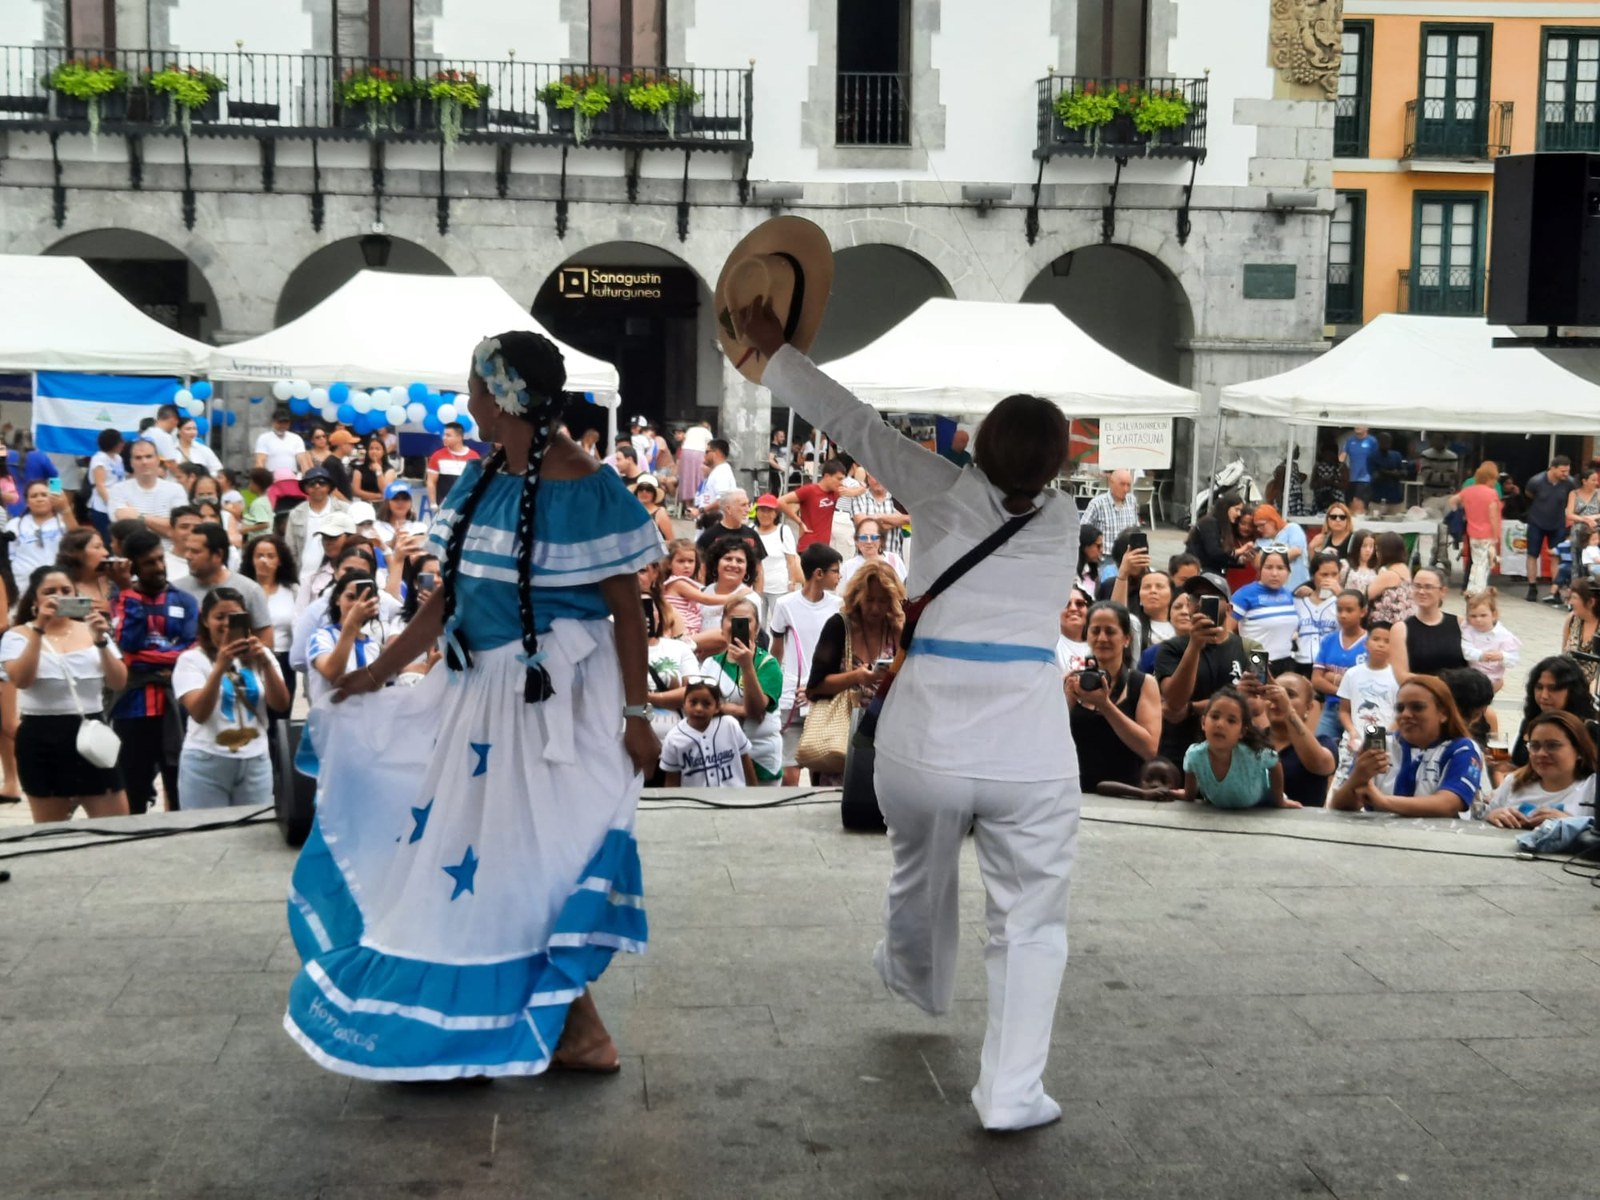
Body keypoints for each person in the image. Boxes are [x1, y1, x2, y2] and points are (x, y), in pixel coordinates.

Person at [285, 330, 664, 1080]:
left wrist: (636, 715)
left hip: (553, 705)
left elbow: (628, 611)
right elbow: (445, 602)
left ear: (509, 398)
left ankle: (573, 1027)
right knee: (477, 860)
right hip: (475, 700)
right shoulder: (481, 477)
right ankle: (561, 1026)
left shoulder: (590, 487)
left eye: (477, 389)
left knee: (527, 863)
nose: (468, 402)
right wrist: (376, 674)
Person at [1, 565, 128, 822]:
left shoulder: (90, 630)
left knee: (116, 825)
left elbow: (118, 681)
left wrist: (102, 640)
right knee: (51, 831)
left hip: (91, 732)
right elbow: (22, 680)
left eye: (65, 590)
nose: (58, 596)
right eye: (49, 591)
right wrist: (39, 629)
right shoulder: (18, 635)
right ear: (35, 598)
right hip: (42, 736)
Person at [108, 528, 199, 814]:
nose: (159, 567)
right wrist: (128, 595)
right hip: (133, 709)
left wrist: (146, 656)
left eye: (161, 559)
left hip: (177, 707)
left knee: (178, 785)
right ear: (133, 565)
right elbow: (128, 649)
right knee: (134, 787)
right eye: (150, 562)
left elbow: (190, 651)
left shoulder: (184, 601)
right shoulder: (120, 599)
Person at [173, 587, 289, 809]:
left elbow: (281, 704)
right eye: (219, 617)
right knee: (207, 836)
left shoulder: (261, 655)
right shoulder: (190, 660)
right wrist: (220, 667)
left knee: (253, 835)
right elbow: (199, 713)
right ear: (206, 621)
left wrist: (264, 662)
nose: (226, 624)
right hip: (206, 762)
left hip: (255, 760)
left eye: (234, 617)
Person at [1330, 675, 1482, 816]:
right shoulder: (1380, 744)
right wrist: (1358, 777)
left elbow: (1449, 803)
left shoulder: (1462, 749)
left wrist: (1383, 801)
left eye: (1417, 707)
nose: (1405, 714)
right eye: (1400, 708)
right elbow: (1339, 807)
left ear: (1443, 713)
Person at [1155, 573, 1255, 765]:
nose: (1202, 602)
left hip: (1233, 757)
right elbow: (1174, 702)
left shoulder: (1252, 648)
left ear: (1229, 608)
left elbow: (1257, 705)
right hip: (1179, 753)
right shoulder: (1170, 648)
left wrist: (1193, 708)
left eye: (1211, 597)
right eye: (1196, 597)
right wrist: (1194, 645)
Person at [769, 544, 843, 785]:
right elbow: (776, 650)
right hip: (792, 697)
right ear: (818, 573)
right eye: (835, 571)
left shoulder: (838, 606)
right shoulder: (785, 605)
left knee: (819, 765)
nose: (839, 576)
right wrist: (775, 687)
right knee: (790, 766)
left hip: (824, 694)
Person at [1067, 601, 1160, 792]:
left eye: (1110, 631)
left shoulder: (1143, 684)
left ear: (1126, 639)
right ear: (1087, 635)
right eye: (1095, 631)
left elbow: (1149, 749)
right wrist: (1067, 702)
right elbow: (1049, 737)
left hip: (1125, 795)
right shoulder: (1070, 682)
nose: (1102, 638)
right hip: (1074, 792)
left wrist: (1105, 706)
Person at [698, 595, 783, 784]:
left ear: (757, 627)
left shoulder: (768, 664)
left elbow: (755, 710)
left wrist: (746, 666)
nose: (738, 625)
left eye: (746, 620)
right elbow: (701, 708)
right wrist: (738, 710)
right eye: (732, 619)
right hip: (720, 757)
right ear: (722, 625)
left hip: (761, 760)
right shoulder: (710, 664)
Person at [1181, 686, 1292, 808]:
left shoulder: (1253, 754)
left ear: (1242, 732)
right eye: (1215, 716)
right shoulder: (1194, 755)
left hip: (1261, 806)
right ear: (1203, 722)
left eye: (1231, 721)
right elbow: (1189, 793)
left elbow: (1275, 762)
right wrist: (1187, 794)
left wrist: (1279, 799)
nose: (1220, 724)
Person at [1484, 710, 1596, 829]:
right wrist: (1492, 816)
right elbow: (1480, 822)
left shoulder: (1592, 787)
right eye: (1535, 746)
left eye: (1552, 745)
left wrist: (1571, 824)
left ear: (1579, 750)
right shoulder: (1514, 782)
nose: (1541, 753)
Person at [172, 521, 273, 643]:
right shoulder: (176, 590)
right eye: (187, 550)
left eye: (195, 552)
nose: (188, 556)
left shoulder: (249, 590)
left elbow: (265, 639)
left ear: (218, 555)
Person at [1332, 619, 1399, 788]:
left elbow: (1400, 715)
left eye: (1387, 641)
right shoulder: (1352, 674)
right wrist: (1352, 732)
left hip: (1385, 743)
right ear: (1366, 642)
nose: (1381, 645)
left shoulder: (1398, 677)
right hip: (1354, 741)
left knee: (1380, 786)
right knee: (1344, 784)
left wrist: (1386, 735)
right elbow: (1344, 711)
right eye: (1376, 639)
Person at [1507, 655, 1600, 775]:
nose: (1544, 695)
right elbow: (1518, 765)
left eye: (1553, 689)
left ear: (1572, 691)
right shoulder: (1531, 721)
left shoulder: (1587, 729)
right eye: (1539, 687)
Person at [658, 677, 757, 786]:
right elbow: (672, 780)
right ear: (684, 704)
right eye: (693, 702)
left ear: (717, 707)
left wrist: (755, 794)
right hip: (695, 801)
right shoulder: (674, 737)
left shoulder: (730, 725)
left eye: (706, 703)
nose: (699, 708)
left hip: (734, 799)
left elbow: (746, 761)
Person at [240, 533, 299, 714]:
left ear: (280, 561)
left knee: (280, 715)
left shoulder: (292, 591)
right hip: (250, 660)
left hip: (283, 659)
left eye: (270, 556)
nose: (264, 561)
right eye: (259, 556)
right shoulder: (242, 589)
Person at [1261, 674, 1335, 806]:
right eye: (1272, 692)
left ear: (1309, 707)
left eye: (1289, 694)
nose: (1278, 698)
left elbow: (1319, 764)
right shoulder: (1254, 739)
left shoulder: (1324, 742)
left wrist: (1287, 709)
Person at [1230, 547, 1298, 675]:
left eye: (1280, 568)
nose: (1274, 573)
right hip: (1257, 661)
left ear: (1288, 571)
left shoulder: (1289, 596)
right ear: (1260, 569)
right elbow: (1226, 633)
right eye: (1269, 567)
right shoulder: (1244, 595)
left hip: (1286, 662)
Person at [1313, 589, 1368, 744]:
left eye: (1349, 610)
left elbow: (1366, 683)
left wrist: (1332, 677)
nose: (1343, 615)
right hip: (1330, 709)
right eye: (1339, 610)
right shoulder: (1328, 640)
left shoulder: (1370, 643)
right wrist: (1344, 690)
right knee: (1321, 750)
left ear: (1363, 612)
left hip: (1360, 712)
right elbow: (1316, 680)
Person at [1390, 566, 1465, 680]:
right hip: (1420, 694)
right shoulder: (1401, 629)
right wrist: (1439, 684)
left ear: (1443, 591)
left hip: (1459, 695)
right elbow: (1401, 676)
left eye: (1428, 587)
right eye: (1417, 586)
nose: (1421, 591)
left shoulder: (1460, 624)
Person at [109, 440, 187, 545]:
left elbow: (177, 531)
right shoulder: (118, 490)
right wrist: (163, 525)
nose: (144, 462)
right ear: (131, 462)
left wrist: (139, 517)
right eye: (138, 458)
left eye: (149, 456)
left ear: (158, 460)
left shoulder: (176, 489)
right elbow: (124, 531)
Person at [694, 487, 767, 593]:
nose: (748, 510)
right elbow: (701, 571)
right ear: (728, 509)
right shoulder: (709, 536)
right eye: (743, 505)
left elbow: (759, 570)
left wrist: (757, 598)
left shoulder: (752, 535)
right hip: (715, 596)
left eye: (748, 504)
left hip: (744, 597)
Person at [284, 467, 352, 576]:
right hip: (303, 574)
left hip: (335, 573)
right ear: (305, 488)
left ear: (329, 486)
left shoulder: (345, 510)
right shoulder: (295, 514)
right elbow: (290, 549)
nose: (317, 486)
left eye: (322, 482)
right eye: (311, 483)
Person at [1447, 461, 1502, 597]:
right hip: (1487, 533)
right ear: (1490, 478)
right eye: (1494, 479)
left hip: (1473, 532)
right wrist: (1496, 536)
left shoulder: (1468, 491)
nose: (1495, 482)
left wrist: (1461, 511)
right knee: (1484, 564)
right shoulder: (1491, 494)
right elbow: (1493, 516)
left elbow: (1452, 501)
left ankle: (1472, 587)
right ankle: (1478, 590)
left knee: (1476, 561)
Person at [8, 478, 76, 580]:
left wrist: (66, 509)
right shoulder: (14, 525)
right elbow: (8, 557)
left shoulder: (64, 521)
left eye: (44, 495)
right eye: (34, 496)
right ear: (27, 502)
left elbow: (79, 542)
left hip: (61, 580)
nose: (39, 499)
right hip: (23, 583)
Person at [778, 459, 852, 552]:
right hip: (808, 547)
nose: (841, 482)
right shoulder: (810, 490)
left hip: (824, 548)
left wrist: (863, 489)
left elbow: (855, 491)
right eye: (839, 479)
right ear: (827, 476)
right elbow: (780, 501)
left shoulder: (835, 492)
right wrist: (799, 522)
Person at [1290, 552, 1342, 679]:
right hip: (1301, 663)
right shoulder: (1298, 600)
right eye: (1324, 575)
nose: (1330, 579)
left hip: (1332, 665)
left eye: (1334, 574)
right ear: (1313, 575)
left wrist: (1341, 595)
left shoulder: (1342, 602)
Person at [698, 537, 763, 637]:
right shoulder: (702, 592)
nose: (733, 564)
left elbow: (735, 636)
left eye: (739, 561)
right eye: (728, 559)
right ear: (716, 563)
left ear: (747, 569)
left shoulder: (750, 599)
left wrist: (690, 643)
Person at [1460, 589, 1521, 694]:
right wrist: (1480, 655)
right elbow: (1465, 649)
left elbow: (1513, 659)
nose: (1478, 620)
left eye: (1483, 615)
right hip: (1470, 676)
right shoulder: (1468, 630)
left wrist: (1502, 656)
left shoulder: (1504, 635)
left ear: (1494, 615)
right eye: (1473, 616)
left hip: (1493, 678)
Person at [1186, 491, 1253, 577]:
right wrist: (1239, 551)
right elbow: (1214, 552)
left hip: (1211, 571)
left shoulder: (1223, 526)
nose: (1239, 514)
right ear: (1226, 508)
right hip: (1199, 571)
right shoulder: (1209, 523)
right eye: (1236, 509)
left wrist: (1240, 560)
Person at [845, 472, 910, 559]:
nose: (878, 480)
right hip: (864, 558)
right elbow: (862, 523)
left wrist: (879, 516)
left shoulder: (897, 499)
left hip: (892, 557)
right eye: (874, 477)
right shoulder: (860, 497)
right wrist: (896, 520)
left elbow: (909, 519)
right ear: (868, 477)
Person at [752, 493, 801, 606]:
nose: (765, 514)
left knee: (778, 622)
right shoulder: (751, 530)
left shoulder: (783, 531)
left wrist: (792, 581)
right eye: (762, 510)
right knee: (757, 621)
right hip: (756, 587)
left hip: (779, 587)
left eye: (769, 511)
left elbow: (791, 560)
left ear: (776, 514)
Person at [56, 527, 114, 617]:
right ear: (77, 554)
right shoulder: (63, 587)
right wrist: (84, 607)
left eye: (103, 547)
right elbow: (57, 610)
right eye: (97, 547)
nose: (106, 553)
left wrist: (115, 609)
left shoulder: (115, 580)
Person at [1250, 504, 1308, 592]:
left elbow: (1296, 551)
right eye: (1256, 526)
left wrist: (1269, 560)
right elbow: (1258, 564)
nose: (1259, 529)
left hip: (1297, 588)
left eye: (1262, 525)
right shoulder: (1260, 541)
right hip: (1272, 591)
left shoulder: (1292, 528)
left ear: (1273, 521)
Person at [839, 517, 907, 590]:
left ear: (881, 540)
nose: (869, 541)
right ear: (856, 541)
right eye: (863, 537)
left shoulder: (894, 560)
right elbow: (841, 596)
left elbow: (904, 589)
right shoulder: (848, 566)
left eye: (874, 537)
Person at [426, 421, 481, 509]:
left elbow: (476, 483)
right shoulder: (437, 455)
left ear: (459, 437)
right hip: (443, 505)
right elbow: (431, 482)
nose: (444, 437)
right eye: (444, 435)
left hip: (465, 506)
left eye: (448, 435)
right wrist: (433, 504)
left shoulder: (474, 457)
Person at [1367, 532, 1414, 626]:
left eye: (1377, 550)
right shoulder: (1404, 568)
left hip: (1386, 624)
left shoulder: (1388, 574)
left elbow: (1367, 595)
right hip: (1405, 621)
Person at [85, 427, 126, 536]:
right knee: (107, 537)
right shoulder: (99, 459)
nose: (123, 443)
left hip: (119, 502)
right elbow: (100, 486)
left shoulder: (118, 458)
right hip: (103, 506)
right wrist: (111, 504)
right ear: (113, 443)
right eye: (120, 441)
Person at [1082, 469, 1140, 544]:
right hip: (1105, 554)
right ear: (1111, 483)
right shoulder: (1097, 503)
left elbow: (1136, 528)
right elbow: (1083, 530)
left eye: (1128, 485)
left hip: (1128, 552)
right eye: (1122, 484)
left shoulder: (1132, 501)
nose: (1126, 489)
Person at [1563, 577, 1600, 687]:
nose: (1570, 602)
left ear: (1591, 602)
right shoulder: (1571, 620)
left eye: (1574, 598)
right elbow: (1563, 655)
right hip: (1569, 686)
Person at [693, 438, 739, 516]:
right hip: (709, 522)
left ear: (717, 453)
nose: (704, 456)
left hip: (717, 522)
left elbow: (722, 501)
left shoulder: (722, 472)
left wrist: (700, 511)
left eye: (707, 452)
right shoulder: (717, 471)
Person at [255, 408, 305, 476]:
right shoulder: (264, 438)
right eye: (280, 422)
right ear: (273, 422)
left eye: (286, 423)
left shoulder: (296, 438)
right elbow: (260, 461)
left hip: (291, 476)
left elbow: (303, 461)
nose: (283, 425)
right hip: (271, 476)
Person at [1340, 425, 1378, 512]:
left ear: (1367, 427)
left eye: (1360, 424)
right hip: (1351, 479)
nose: (1357, 426)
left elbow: (1377, 457)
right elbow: (1343, 456)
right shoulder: (1350, 440)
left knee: (1360, 506)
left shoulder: (1372, 441)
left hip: (1365, 479)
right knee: (1349, 506)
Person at [1055, 587, 1092, 674]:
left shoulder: (1100, 643)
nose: (1073, 608)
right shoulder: (1051, 644)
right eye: (1066, 604)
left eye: (1080, 604)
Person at [1416, 431, 1461, 501]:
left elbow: (1452, 475)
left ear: (1445, 441)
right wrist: (1445, 476)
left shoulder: (1453, 456)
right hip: (1429, 494)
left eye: (1439, 439)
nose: (1436, 441)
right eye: (1435, 439)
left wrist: (1434, 474)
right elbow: (1426, 475)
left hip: (1447, 494)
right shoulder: (1425, 454)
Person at [1310, 432, 1349, 512]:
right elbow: (1312, 485)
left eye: (1331, 454)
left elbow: (1346, 485)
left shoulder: (1341, 466)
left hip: (1337, 500)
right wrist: (1322, 482)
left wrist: (1332, 483)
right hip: (1320, 501)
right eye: (1326, 454)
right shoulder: (1318, 466)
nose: (1328, 457)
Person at [631, 475, 675, 543]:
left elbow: (671, 541)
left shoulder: (660, 513)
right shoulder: (631, 511)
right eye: (640, 489)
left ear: (654, 494)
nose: (644, 492)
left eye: (649, 490)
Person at [351, 436, 395, 504]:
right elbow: (356, 491)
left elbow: (385, 491)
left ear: (383, 452)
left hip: (382, 505)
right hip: (364, 504)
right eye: (371, 449)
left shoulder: (389, 470)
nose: (374, 451)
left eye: (377, 449)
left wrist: (379, 471)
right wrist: (377, 496)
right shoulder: (359, 469)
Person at [677, 420, 712, 502]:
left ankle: (688, 503)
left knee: (687, 476)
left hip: (686, 452)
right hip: (699, 452)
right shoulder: (707, 432)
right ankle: (698, 499)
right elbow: (710, 447)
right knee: (700, 475)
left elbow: (684, 444)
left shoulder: (690, 430)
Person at [140, 403, 182, 470]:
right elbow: (171, 463)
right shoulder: (164, 437)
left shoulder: (146, 433)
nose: (175, 427)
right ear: (174, 420)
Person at [1340, 528, 1379, 594]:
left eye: (1371, 546)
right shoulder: (1345, 565)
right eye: (1364, 546)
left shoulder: (1379, 570)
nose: (1368, 550)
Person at [1075, 525, 1104, 593]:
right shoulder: (1069, 574)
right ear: (1085, 546)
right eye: (1098, 546)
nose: (1101, 550)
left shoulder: (1094, 573)